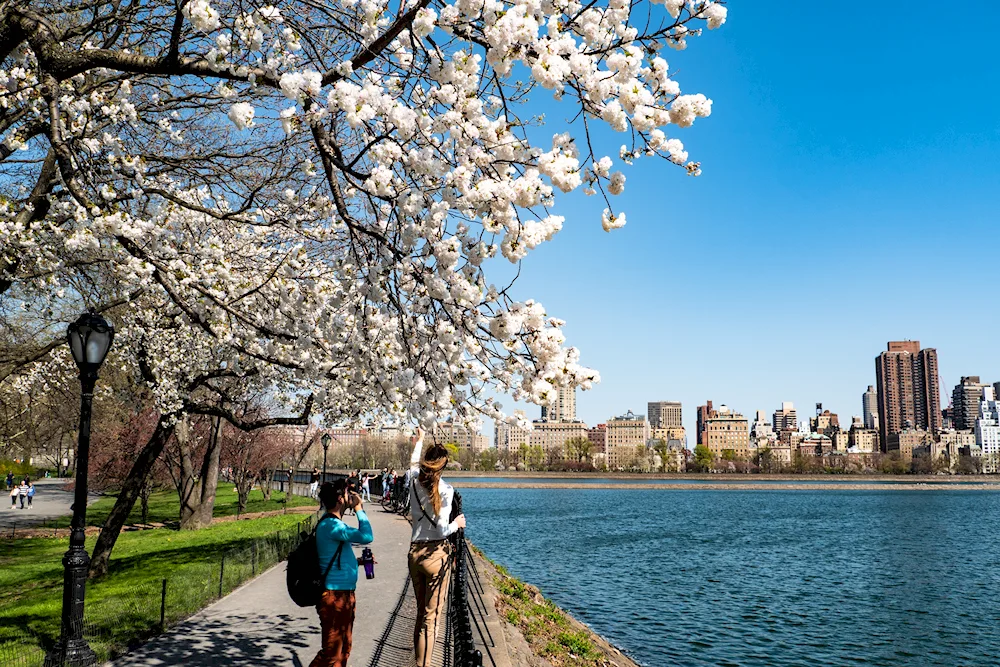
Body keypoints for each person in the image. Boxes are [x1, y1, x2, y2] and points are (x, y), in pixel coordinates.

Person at [407, 427, 466, 667]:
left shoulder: (412, 480)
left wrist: (419, 441)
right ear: (443, 466)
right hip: (436, 555)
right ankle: (425, 665)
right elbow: (443, 530)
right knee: (431, 620)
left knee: (421, 614)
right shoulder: (446, 490)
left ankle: (418, 662)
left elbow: (412, 463)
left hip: (415, 553)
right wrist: (456, 523)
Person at [310, 479, 373, 667]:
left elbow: (333, 556)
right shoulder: (332, 526)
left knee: (344, 650)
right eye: (347, 493)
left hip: (344, 594)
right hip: (334, 597)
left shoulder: (334, 525)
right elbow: (367, 536)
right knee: (331, 653)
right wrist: (359, 509)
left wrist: (358, 562)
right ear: (339, 499)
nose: (350, 496)